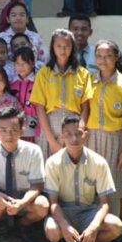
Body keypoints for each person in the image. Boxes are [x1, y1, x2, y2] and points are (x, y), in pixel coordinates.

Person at [44, 116, 122, 242]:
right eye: (68, 134)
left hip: (88, 211)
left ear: (86, 135)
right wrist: (64, 225)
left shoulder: (99, 162)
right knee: (52, 232)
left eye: (78, 133)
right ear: (62, 136)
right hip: (64, 211)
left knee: (116, 226)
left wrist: (94, 226)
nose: (74, 139)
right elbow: (53, 202)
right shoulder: (53, 162)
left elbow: (104, 202)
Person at [86, 40, 122, 218]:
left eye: (108, 56)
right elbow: (85, 110)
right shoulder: (90, 80)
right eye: (99, 56)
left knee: (113, 183)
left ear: (116, 57)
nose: (103, 60)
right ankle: (92, 229)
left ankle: (114, 228)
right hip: (92, 138)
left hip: (115, 138)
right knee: (92, 183)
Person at [0, 107, 49, 232]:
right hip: (1, 195)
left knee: (42, 205)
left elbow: (37, 185)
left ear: (22, 131)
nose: (8, 135)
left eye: (14, 130)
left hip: (25, 196)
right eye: (3, 130)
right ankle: (2, 225)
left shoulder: (34, 150)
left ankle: (22, 224)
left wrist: (22, 203)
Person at [30, 29, 93, 160]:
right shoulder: (44, 73)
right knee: (49, 170)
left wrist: (79, 131)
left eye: (67, 46)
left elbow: (85, 106)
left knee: (73, 168)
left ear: (73, 48)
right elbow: (40, 107)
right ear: (53, 48)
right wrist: (52, 141)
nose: (62, 50)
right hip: (49, 126)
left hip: (74, 126)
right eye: (58, 46)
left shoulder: (82, 73)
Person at [10, 46, 39, 143]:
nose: (20, 67)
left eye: (24, 63)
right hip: (16, 123)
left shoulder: (39, 82)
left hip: (35, 122)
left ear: (33, 63)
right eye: (17, 63)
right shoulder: (12, 83)